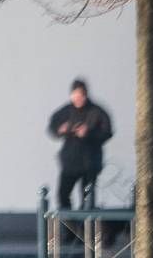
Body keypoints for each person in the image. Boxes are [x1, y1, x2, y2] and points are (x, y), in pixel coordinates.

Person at [48, 78, 113, 209]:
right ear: (71, 95)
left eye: (81, 95)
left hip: (90, 163)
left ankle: (84, 228)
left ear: (86, 94)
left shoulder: (97, 111)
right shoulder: (66, 111)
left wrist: (89, 133)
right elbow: (52, 127)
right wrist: (61, 130)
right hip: (70, 162)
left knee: (87, 199)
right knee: (62, 196)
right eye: (75, 95)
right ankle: (71, 229)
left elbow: (107, 132)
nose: (78, 98)